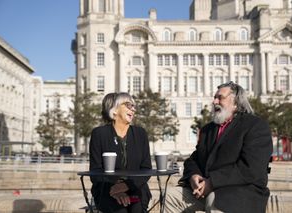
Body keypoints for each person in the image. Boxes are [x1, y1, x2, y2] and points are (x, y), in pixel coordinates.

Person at [165, 81, 273, 213]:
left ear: (235, 102)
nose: (214, 101)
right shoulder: (208, 130)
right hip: (206, 189)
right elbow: (194, 160)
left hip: (241, 191)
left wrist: (212, 182)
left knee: (215, 201)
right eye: (214, 97)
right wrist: (194, 176)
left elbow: (250, 168)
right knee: (169, 196)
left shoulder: (255, 126)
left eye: (220, 98)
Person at [89, 92, 152, 213]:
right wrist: (115, 190)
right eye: (128, 105)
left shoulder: (140, 134)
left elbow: (146, 169)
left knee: (136, 209)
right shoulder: (99, 134)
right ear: (115, 109)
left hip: (136, 188)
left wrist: (126, 186)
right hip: (106, 189)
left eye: (134, 106)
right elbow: (95, 171)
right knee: (120, 210)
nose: (133, 109)